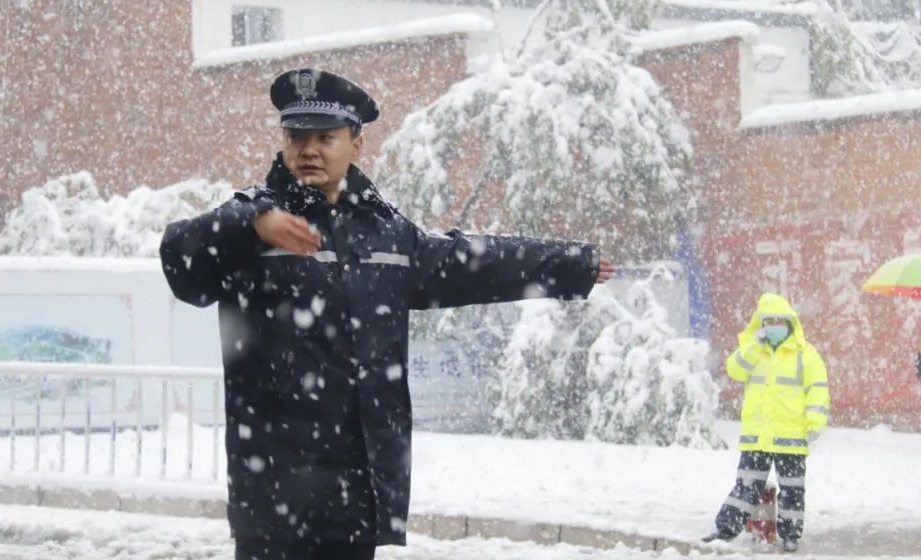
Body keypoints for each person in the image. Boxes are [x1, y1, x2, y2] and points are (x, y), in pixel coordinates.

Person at [159, 68, 614, 560]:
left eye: (325, 137)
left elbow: (474, 262)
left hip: (358, 489)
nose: (308, 149)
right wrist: (250, 224)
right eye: (296, 137)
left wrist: (570, 266)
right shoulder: (255, 219)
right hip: (275, 488)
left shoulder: (386, 234)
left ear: (356, 145)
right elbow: (181, 260)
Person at [703, 292, 829, 553]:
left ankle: (790, 535)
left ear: (790, 323)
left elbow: (817, 387)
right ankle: (725, 529)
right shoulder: (753, 352)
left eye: (779, 321)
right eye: (768, 321)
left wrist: (815, 421)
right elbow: (733, 370)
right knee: (745, 487)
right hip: (757, 437)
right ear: (760, 325)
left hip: (791, 438)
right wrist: (752, 345)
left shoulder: (805, 354)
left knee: (792, 491)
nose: (773, 326)